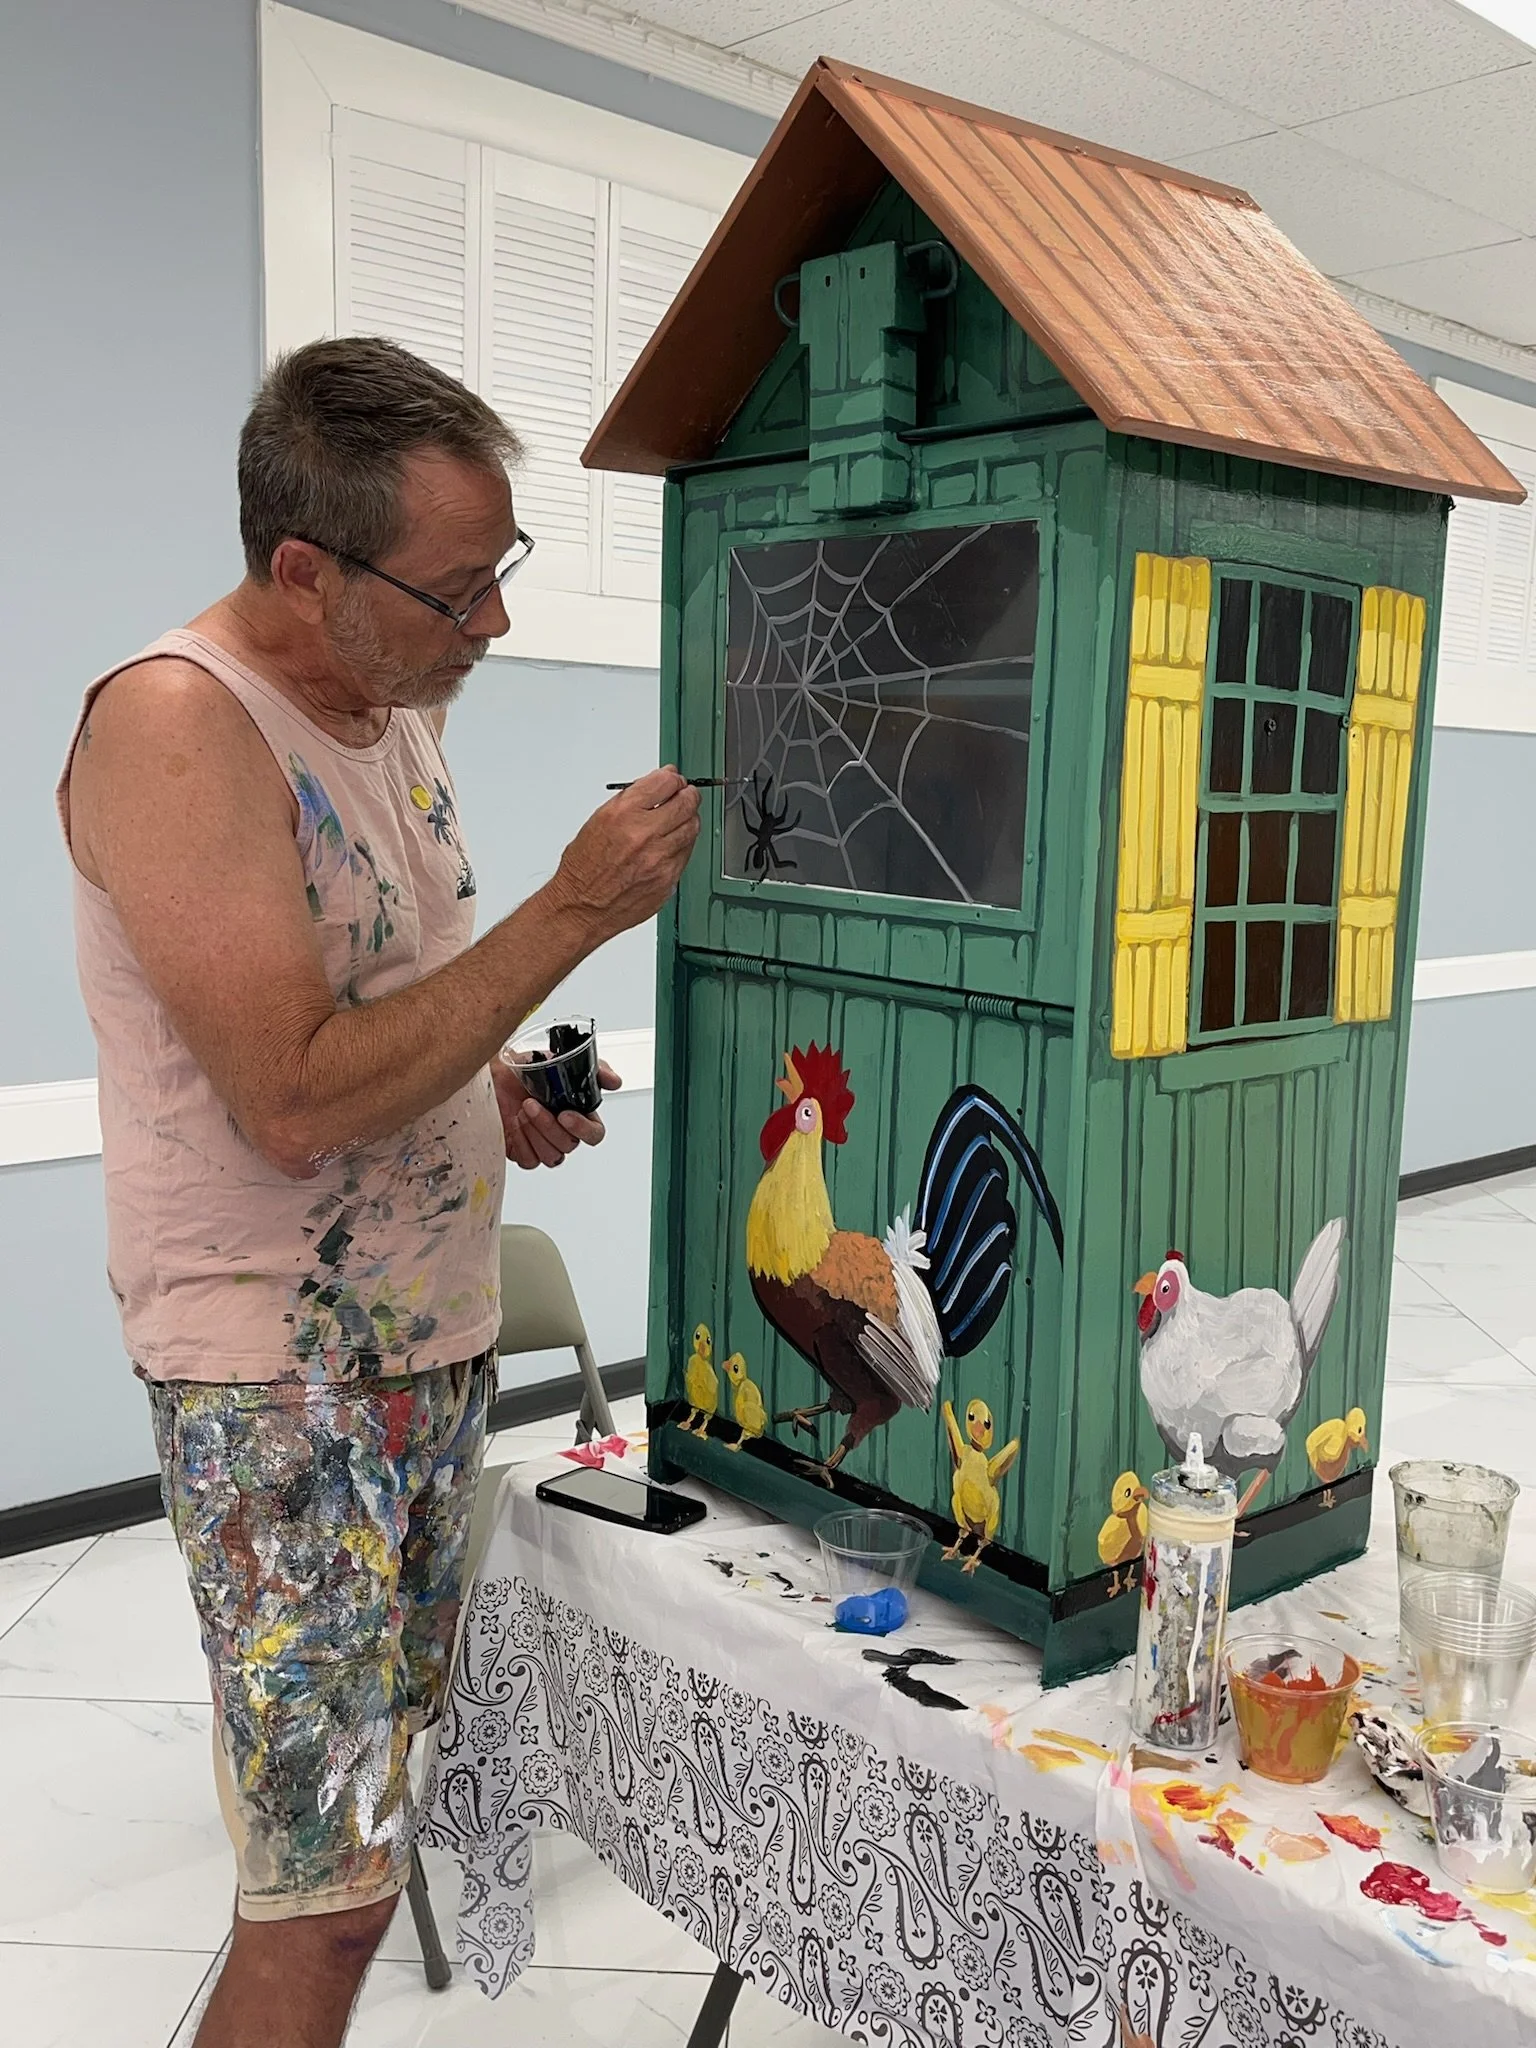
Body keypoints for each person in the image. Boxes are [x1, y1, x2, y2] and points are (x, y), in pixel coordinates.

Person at [57, 336, 700, 2048]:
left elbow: (369, 1014)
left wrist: (486, 1094)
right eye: (458, 585)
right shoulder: (176, 724)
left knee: (373, 1822)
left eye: (504, 571)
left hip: (427, 1355)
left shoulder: (391, 708)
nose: (490, 622)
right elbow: (282, 1097)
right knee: (322, 1907)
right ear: (303, 570)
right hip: (281, 1396)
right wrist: (570, 911)